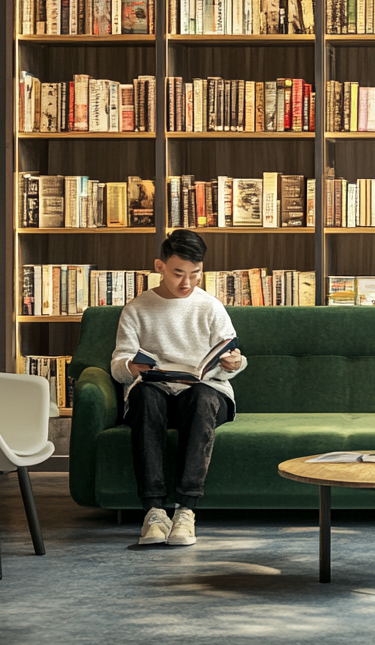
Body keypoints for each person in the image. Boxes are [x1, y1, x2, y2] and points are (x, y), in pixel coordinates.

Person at [111, 230, 247, 547]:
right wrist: (131, 367)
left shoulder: (211, 307)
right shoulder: (137, 308)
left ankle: (186, 510)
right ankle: (154, 512)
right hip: (156, 392)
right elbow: (119, 364)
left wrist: (234, 363)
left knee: (202, 398)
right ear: (160, 266)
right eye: (178, 273)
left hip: (204, 392)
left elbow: (234, 357)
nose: (187, 283)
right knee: (143, 394)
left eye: (195, 274)